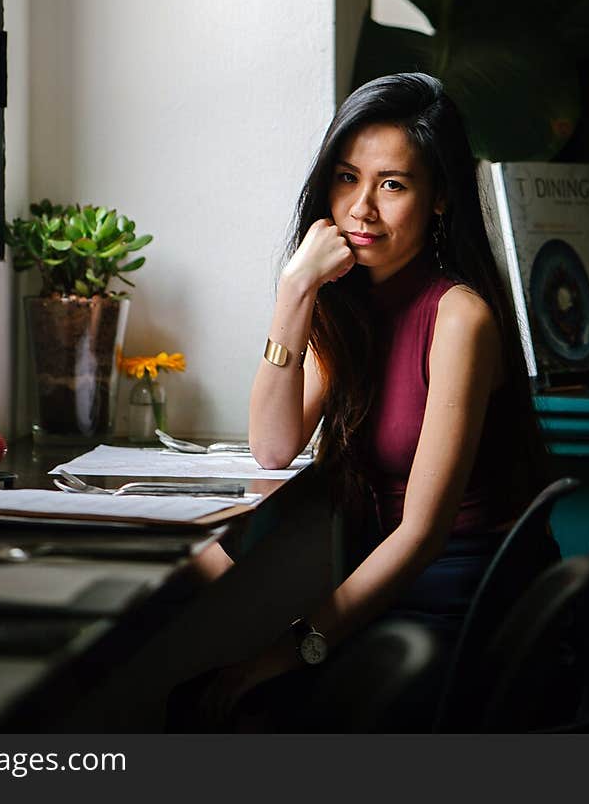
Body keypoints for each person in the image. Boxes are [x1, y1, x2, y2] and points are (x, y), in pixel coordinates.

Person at [173, 72, 555, 731]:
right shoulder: (349, 301)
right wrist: (294, 292)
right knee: (198, 700)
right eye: (347, 178)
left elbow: (422, 534)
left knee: (230, 710)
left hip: (464, 609)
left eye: (393, 185)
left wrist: (296, 646)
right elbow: (272, 445)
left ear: (438, 199)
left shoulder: (460, 316)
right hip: (392, 601)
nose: (361, 209)